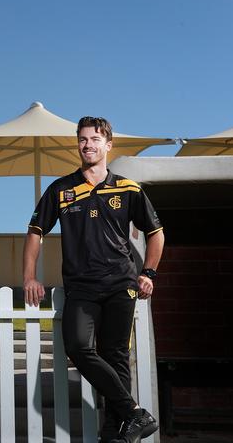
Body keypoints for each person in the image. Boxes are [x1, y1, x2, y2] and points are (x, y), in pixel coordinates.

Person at [22, 116, 164, 443]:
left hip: (120, 285)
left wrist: (149, 272)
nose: (88, 145)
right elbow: (34, 233)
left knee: (115, 357)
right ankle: (134, 413)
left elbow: (156, 234)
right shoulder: (61, 189)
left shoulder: (128, 188)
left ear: (108, 145)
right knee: (77, 346)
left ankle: (115, 436)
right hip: (81, 288)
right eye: (83, 139)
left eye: (95, 139)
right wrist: (29, 276)